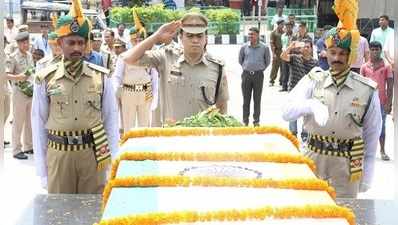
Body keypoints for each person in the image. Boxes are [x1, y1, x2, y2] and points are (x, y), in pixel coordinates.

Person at [282, 14, 382, 197]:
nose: (337, 58)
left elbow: (371, 135)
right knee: (310, 214)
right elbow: (286, 112)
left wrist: (367, 175)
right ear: (325, 53)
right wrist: (310, 105)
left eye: (342, 53)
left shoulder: (367, 90)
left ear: (350, 56)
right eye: (333, 52)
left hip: (347, 166)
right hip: (313, 160)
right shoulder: (313, 80)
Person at [32, 0, 119, 194]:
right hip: (59, 155)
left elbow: (111, 120)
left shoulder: (101, 77)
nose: (76, 48)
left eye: (81, 42)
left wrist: (113, 162)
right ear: (60, 43)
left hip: (93, 154)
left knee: (92, 211)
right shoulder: (45, 78)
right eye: (71, 42)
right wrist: (42, 170)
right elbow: (38, 122)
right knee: (60, 213)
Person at [123, 12, 229, 123]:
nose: (195, 40)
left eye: (199, 36)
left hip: (202, 135)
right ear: (180, 38)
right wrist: (156, 36)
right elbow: (129, 58)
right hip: (171, 135)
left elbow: (222, 105)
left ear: (206, 39)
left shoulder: (217, 67)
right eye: (190, 35)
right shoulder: (165, 58)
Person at [113, 28, 158, 130]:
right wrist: (116, 93)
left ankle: (145, 145)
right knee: (128, 125)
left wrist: (155, 96)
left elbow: (154, 78)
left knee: (145, 124)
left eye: (140, 40)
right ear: (130, 40)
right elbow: (117, 76)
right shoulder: (124, 56)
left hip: (146, 91)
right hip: (128, 91)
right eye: (135, 40)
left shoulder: (151, 56)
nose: (138, 42)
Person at [360, 41, 393, 161]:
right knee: (365, 126)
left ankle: (383, 151)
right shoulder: (364, 66)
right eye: (372, 49)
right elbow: (361, 85)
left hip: (381, 101)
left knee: (381, 127)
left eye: (377, 49)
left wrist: (389, 103)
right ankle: (364, 151)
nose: (375, 51)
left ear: (380, 50)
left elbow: (390, 85)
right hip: (367, 102)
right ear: (369, 51)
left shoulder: (387, 66)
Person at [5, 31, 34, 160]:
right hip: (19, 93)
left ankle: (28, 146)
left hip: (30, 91)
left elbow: (32, 71)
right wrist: (19, 77)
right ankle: (16, 149)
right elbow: (6, 74)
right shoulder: (13, 57)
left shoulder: (29, 55)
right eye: (23, 43)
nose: (26, 44)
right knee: (18, 122)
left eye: (27, 42)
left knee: (29, 121)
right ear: (18, 44)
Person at [281, 39, 318, 140]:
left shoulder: (315, 63)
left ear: (311, 49)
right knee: (292, 114)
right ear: (300, 48)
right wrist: (290, 47)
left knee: (306, 114)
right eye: (304, 46)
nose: (306, 48)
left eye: (308, 47)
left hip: (308, 93)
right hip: (294, 91)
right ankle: (292, 135)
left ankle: (305, 134)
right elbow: (283, 56)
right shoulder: (295, 58)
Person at [238, 27, 271, 126]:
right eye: (249, 34)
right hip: (246, 75)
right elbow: (240, 60)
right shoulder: (244, 47)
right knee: (246, 99)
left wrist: (259, 69)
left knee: (257, 99)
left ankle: (256, 121)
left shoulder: (264, 48)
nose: (250, 36)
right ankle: (245, 121)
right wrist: (247, 67)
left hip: (258, 75)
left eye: (252, 34)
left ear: (257, 35)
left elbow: (267, 61)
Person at [269, 19, 284, 86]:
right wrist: (273, 53)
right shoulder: (274, 33)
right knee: (275, 66)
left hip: (283, 51)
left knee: (283, 67)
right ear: (278, 24)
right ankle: (272, 80)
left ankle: (281, 81)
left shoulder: (284, 32)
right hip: (277, 51)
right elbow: (272, 44)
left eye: (283, 24)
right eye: (281, 24)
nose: (283, 26)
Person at [280, 21, 294, 91]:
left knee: (292, 70)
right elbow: (283, 45)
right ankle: (284, 86)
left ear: (292, 27)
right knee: (284, 71)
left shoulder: (294, 36)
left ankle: (291, 86)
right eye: (287, 27)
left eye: (289, 27)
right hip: (285, 54)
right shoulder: (283, 36)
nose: (288, 28)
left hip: (292, 55)